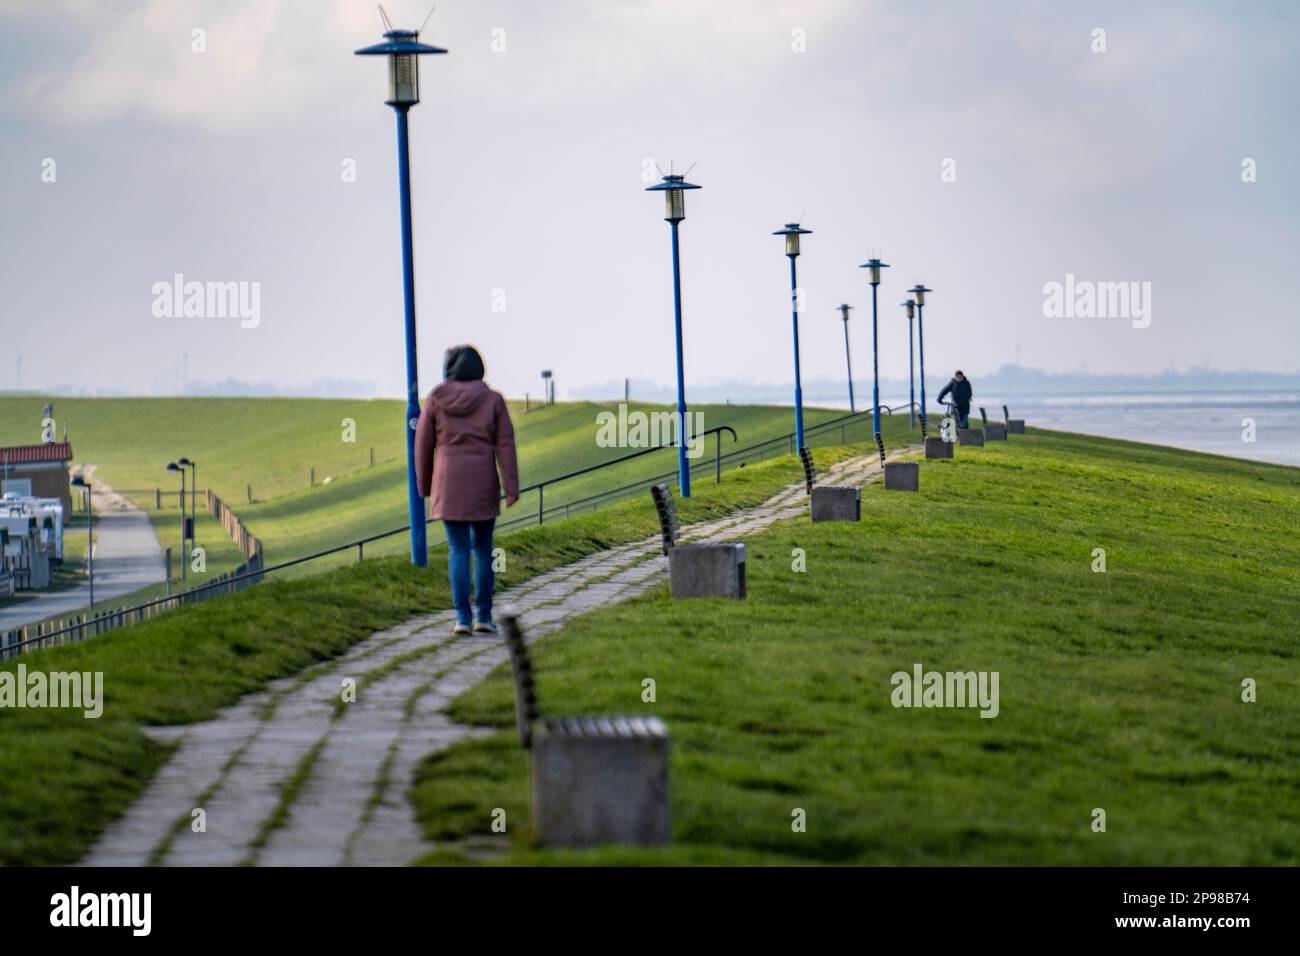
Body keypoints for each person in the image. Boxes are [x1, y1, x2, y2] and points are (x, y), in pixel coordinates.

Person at [415, 345, 519, 635]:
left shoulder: (436, 399)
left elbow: (422, 445)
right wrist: (511, 487)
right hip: (482, 480)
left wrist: (424, 485)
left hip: (448, 483)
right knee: (483, 549)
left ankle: (462, 618)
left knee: (458, 549)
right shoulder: (493, 400)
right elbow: (505, 445)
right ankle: (483, 616)